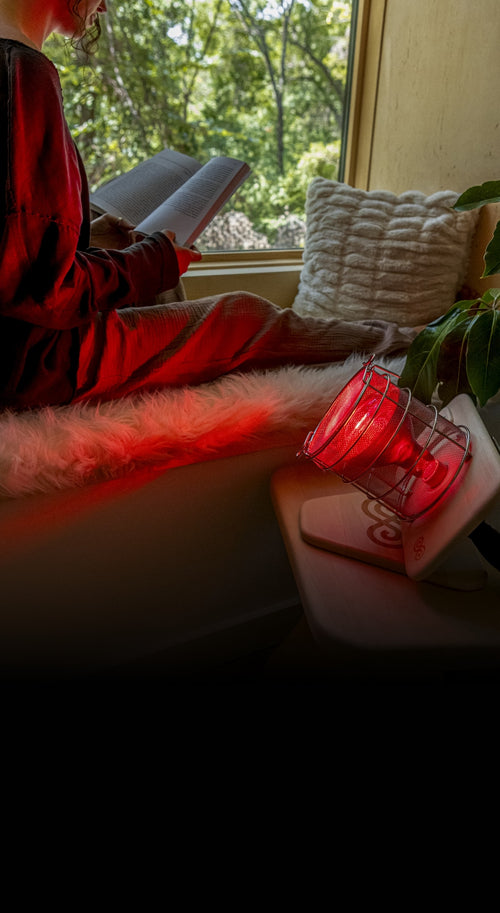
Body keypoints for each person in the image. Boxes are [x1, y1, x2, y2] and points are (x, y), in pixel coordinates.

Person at [0, 0, 417, 411]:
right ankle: (420, 344)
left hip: (23, 341)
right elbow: (42, 290)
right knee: (242, 317)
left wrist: (98, 238)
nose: (104, 7)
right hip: (36, 363)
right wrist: (155, 261)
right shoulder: (24, 74)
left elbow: (19, 237)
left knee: (128, 245)